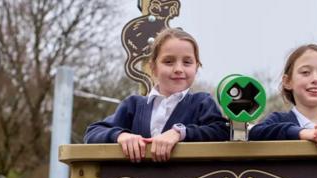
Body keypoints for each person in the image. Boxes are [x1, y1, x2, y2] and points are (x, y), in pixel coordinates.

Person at [84, 28, 229, 162]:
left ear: (196, 67)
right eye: (168, 61)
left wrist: (180, 133)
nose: (178, 69)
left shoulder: (202, 102)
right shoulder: (134, 105)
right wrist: (121, 136)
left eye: (187, 62)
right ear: (153, 67)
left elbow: (222, 131)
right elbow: (92, 133)